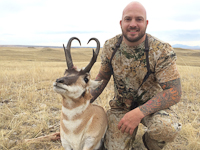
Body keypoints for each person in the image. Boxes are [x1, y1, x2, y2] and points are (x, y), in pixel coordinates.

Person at [90, 1, 182, 150]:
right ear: (121, 23)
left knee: (166, 128)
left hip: (152, 108)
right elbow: (102, 78)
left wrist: (140, 112)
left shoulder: (161, 50)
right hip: (121, 108)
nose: (133, 24)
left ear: (146, 23)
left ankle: (150, 142)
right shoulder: (110, 47)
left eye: (138, 19)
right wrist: (80, 104)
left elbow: (175, 92)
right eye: (128, 19)